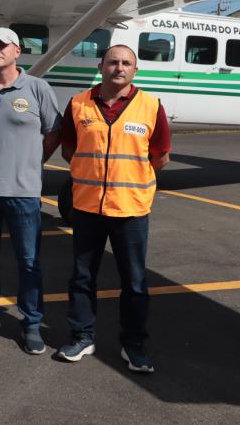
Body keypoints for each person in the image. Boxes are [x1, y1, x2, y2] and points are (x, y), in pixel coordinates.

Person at [55, 44, 170, 374]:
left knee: (134, 281)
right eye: (112, 62)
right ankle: (82, 336)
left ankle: (133, 345)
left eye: (125, 63)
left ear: (135, 70)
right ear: (100, 66)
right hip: (88, 208)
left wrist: (129, 179)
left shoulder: (150, 106)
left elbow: (160, 156)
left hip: (131, 210)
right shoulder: (78, 104)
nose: (118, 68)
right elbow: (69, 150)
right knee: (81, 276)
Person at [0, 28, 61, 355]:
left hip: (24, 192)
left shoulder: (37, 88)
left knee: (29, 260)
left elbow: (54, 131)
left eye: (2, 45)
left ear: (17, 51)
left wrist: (35, 161)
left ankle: (31, 322)